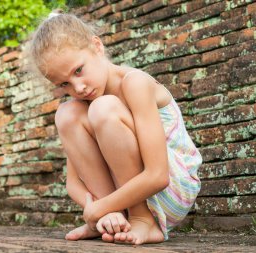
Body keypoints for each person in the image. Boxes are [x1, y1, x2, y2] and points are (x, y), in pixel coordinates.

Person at [26, 12, 202, 245]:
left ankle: (143, 220)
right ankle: (116, 220)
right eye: (64, 84)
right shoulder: (83, 102)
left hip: (173, 187)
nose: (78, 87)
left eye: (78, 70)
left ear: (96, 46)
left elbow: (158, 176)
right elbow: (73, 184)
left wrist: (97, 208)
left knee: (103, 108)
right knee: (66, 113)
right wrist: (104, 212)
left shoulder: (134, 83)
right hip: (123, 198)